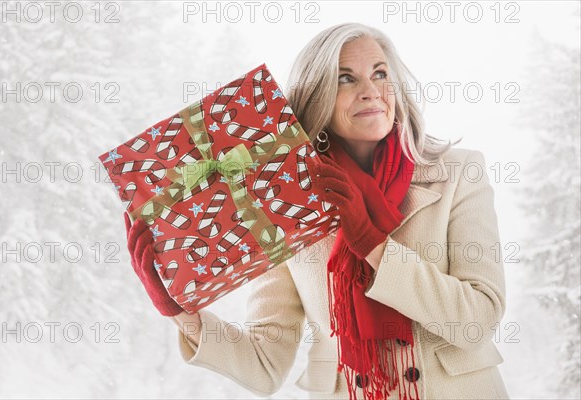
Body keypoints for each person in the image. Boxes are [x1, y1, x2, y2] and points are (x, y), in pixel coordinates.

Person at [124, 23, 510, 400]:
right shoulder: (283, 201)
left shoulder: (459, 173)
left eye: (380, 73)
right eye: (346, 78)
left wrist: (373, 245)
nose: (371, 91)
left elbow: (478, 321)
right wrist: (183, 315)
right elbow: (266, 365)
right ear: (316, 96)